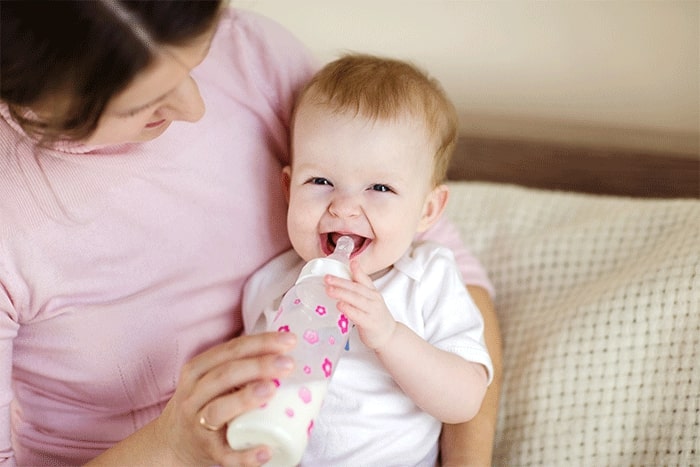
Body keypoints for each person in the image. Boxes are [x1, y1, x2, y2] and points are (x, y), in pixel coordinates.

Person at [0, 1, 502, 466]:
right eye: (142, 103)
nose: (196, 108)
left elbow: (439, 253)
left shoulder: (252, 53)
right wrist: (170, 445)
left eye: (197, 59)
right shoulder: (272, 286)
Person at [241, 53, 493, 466]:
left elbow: (465, 399)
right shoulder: (271, 286)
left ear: (428, 210)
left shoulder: (428, 277)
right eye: (320, 181)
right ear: (288, 188)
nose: (343, 208)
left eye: (379, 187)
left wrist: (390, 336)